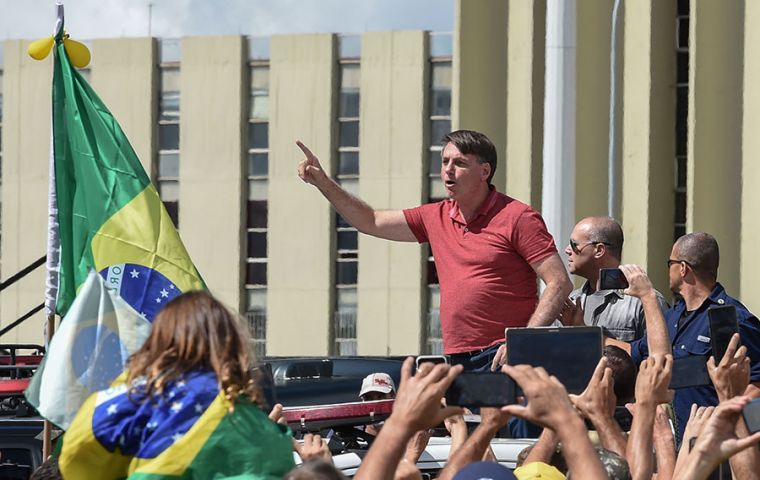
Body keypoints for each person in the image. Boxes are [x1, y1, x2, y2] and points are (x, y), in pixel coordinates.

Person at [297, 130, 572, 370]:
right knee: (471, 432)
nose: (448, 170)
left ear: (484, 172)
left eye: (459, 163)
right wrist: (323, 182)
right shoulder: (434, 216)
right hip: (456, 357)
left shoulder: (518, 216)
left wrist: (523, 341)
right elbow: (370, 221)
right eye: (445, 162)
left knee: (510, 432)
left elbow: (559, 282)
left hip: (505, 355)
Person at [58, 291, 295, 479]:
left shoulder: (127, 402)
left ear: (159, 340)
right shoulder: (258, 425)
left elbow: (73, 458)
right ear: (231, 344)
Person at [617, 233, 760, 443]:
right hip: (680, 443)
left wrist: (721, 419)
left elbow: (756, 383)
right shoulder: (673, 316)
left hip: (717, 446)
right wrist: (586, 332)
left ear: (683, 268)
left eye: (670, 263)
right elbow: (637, 351)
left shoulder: (732, 319)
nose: (669, 269)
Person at [562, 216, 668, 341]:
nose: (567, 250)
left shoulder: (643, 302)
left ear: (599, 250)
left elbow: (658, 354)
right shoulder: (571, 302)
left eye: (574, 244)